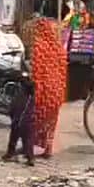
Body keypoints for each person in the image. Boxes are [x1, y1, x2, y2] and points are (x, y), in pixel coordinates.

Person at [30, 18, 69, 159]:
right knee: (51, 121)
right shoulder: (59, 49)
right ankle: (47, 148)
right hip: (57, 91)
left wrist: (35, 89)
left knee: (36, 119)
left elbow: (36, 71)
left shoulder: (39, 46)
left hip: (44, 90)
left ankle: (32, 147)